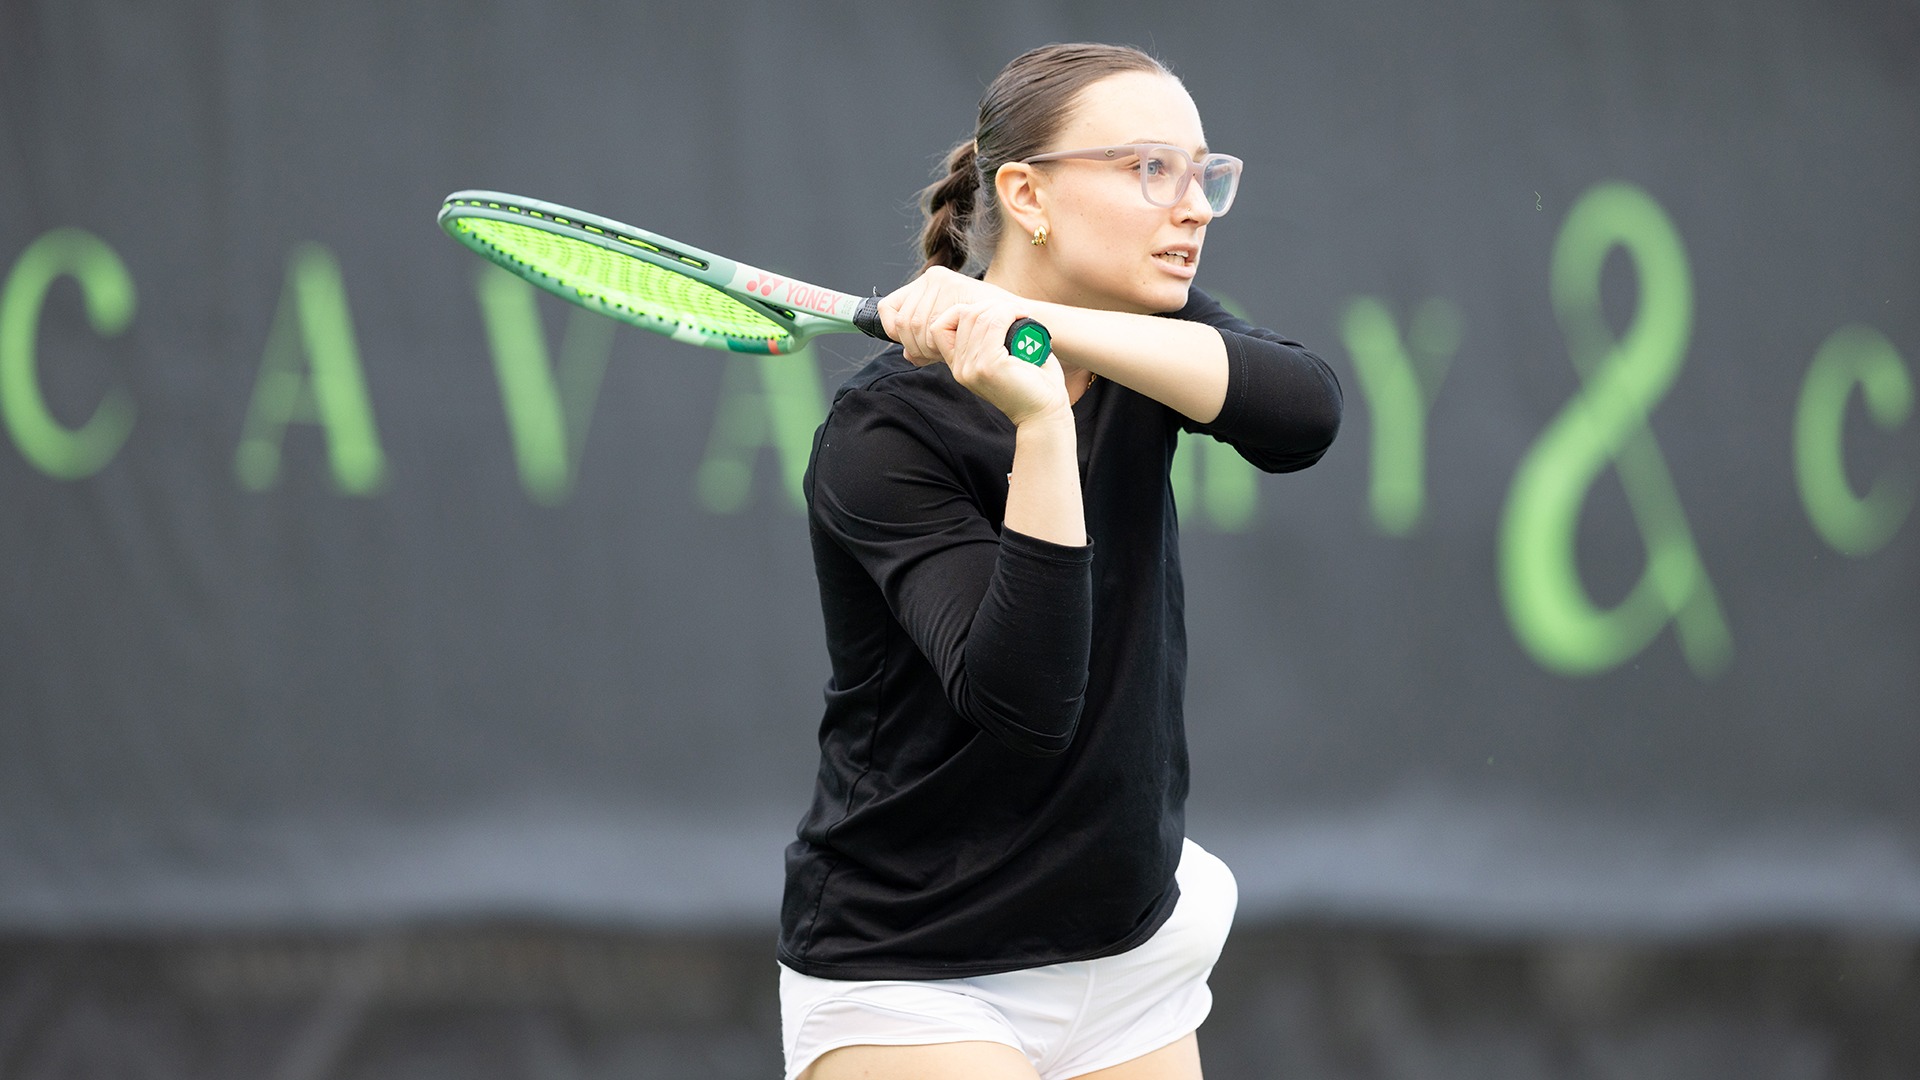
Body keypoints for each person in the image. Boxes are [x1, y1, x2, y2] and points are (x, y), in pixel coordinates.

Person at [778, 42, 1342, 1080]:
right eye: (1148, 170)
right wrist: (1039, 420)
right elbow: (1028, 700)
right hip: (916, 968)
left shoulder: (1148, 336)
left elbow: (1305, 414)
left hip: (1127, 951)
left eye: (1205, 174)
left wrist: (1031, 323)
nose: (1194, 207)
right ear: (1026, 195)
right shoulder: (881, 437)